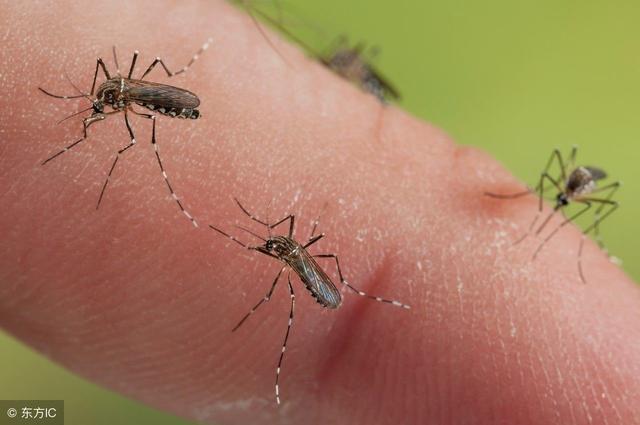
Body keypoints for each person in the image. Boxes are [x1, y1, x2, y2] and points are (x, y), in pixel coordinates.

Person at [0, 1, 638, 424]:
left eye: (102, 99)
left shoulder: (130, 98)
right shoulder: (290, 245)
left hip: (178, 107)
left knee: (304, 294)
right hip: (286, 235)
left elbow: (135, 102)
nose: (103, 101)